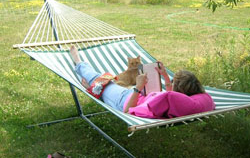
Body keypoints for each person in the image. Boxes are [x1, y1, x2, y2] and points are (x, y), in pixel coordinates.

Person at [70, 46, 215, 119]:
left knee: (102, 81)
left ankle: (78, 62)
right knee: (107, 82)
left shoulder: (164, 101)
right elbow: (173, 96)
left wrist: (138, 87)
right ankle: (92, 86)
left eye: (173, 82)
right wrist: (164, 76)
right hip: (134, 95)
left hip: (124, 100)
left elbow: (127, 111)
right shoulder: (187, 101)